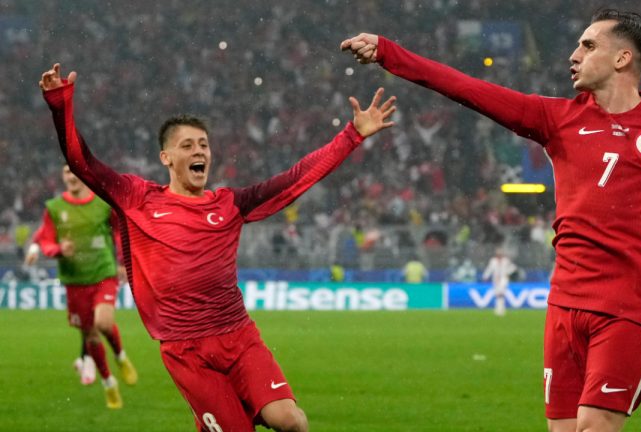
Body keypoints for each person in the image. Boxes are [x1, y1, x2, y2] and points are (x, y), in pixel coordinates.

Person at [341, 8, 641, 432]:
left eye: (587, 46)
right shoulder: (558, 118)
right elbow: (466, 88)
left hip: (631, 303)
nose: (573, 55)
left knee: (594, 425)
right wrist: (388, 53)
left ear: (623, 58)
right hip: (565, 301)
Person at [40, 63, 396, 432]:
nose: (200, 152)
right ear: (166, 158)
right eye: (188, 145)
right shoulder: (136, 197)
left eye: (205, 145)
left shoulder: (230, 204)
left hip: (239, 336)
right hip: (186, 351)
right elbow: (82, 162)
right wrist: (60, 104)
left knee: (292, 422)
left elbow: (295, 180)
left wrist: (352, 134)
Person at [24, 165, 138, 409]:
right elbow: (46, 240)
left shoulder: (102, 204)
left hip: (102, 273)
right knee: (90, 335)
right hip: (74, 280)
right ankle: (109, 383)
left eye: (74, 171)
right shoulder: (54, 208)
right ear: (63, 177)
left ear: (84, 175)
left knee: (104, 323)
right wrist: (57, 251)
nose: (71, 176)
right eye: (66, 172)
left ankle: (121, 356)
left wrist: (122, 261)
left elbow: (119, 233)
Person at [482, 247, 518, 316]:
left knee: (501, 293)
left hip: (503, 279)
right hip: (495, 279)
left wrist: (507, 273)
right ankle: (498, 309)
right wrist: (485, 276)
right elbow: (489, 269)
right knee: (497, 294)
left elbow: (513, 268)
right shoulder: (493, 261)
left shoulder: (506, 260)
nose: (499, 255)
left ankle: (501, 309)